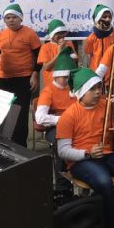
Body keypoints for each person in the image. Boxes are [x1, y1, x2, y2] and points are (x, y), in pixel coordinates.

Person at [56, 67, 114, 228]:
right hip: (81, 160)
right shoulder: (69, 116)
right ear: (81, 92)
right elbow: (63, 151)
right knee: (103, 181)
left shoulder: (107, 105)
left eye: (99, 87)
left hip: (107, 153)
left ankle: (110, 219)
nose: (98, 92)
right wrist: (87, 153)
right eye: (92, 89)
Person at [0, 3, 42, 146]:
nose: (11, 20)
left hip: (23, 79)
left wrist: (35, 74)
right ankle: (7, 144)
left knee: (20, 113)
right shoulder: (0, 35)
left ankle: (21, 146)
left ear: (20, 18)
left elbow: (39, 56)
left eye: (14, 17)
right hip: (4, 79)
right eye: (8, 17)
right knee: (5, 112)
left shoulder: (30, 33)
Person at [35, 46, 77, 192]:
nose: (68, 80)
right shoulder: (49, 91)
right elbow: (40, 117)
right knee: (62, 144)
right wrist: (63, 119)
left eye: (69, 77)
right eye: (65, 77)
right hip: (56, 126)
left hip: (78, 124)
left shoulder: (75, 87)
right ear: (56, 75)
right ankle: (62, 186)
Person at [38, 19, 78, 88]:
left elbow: (74, 62)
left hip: (68, 84)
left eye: (63, 33)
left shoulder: (69, 43)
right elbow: (47, 67)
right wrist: (59, 53)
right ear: (52, 35)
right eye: (58, 33)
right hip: (51, 85)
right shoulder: (45, 47)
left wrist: (74, 59)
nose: (62, 35)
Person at [84, 4, 114, 71]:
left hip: (111, 72)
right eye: (104, 17)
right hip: (96, 70)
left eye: (109, 17)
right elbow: (88, 51)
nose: (107, 19)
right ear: (98, 18)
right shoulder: (92, 37)